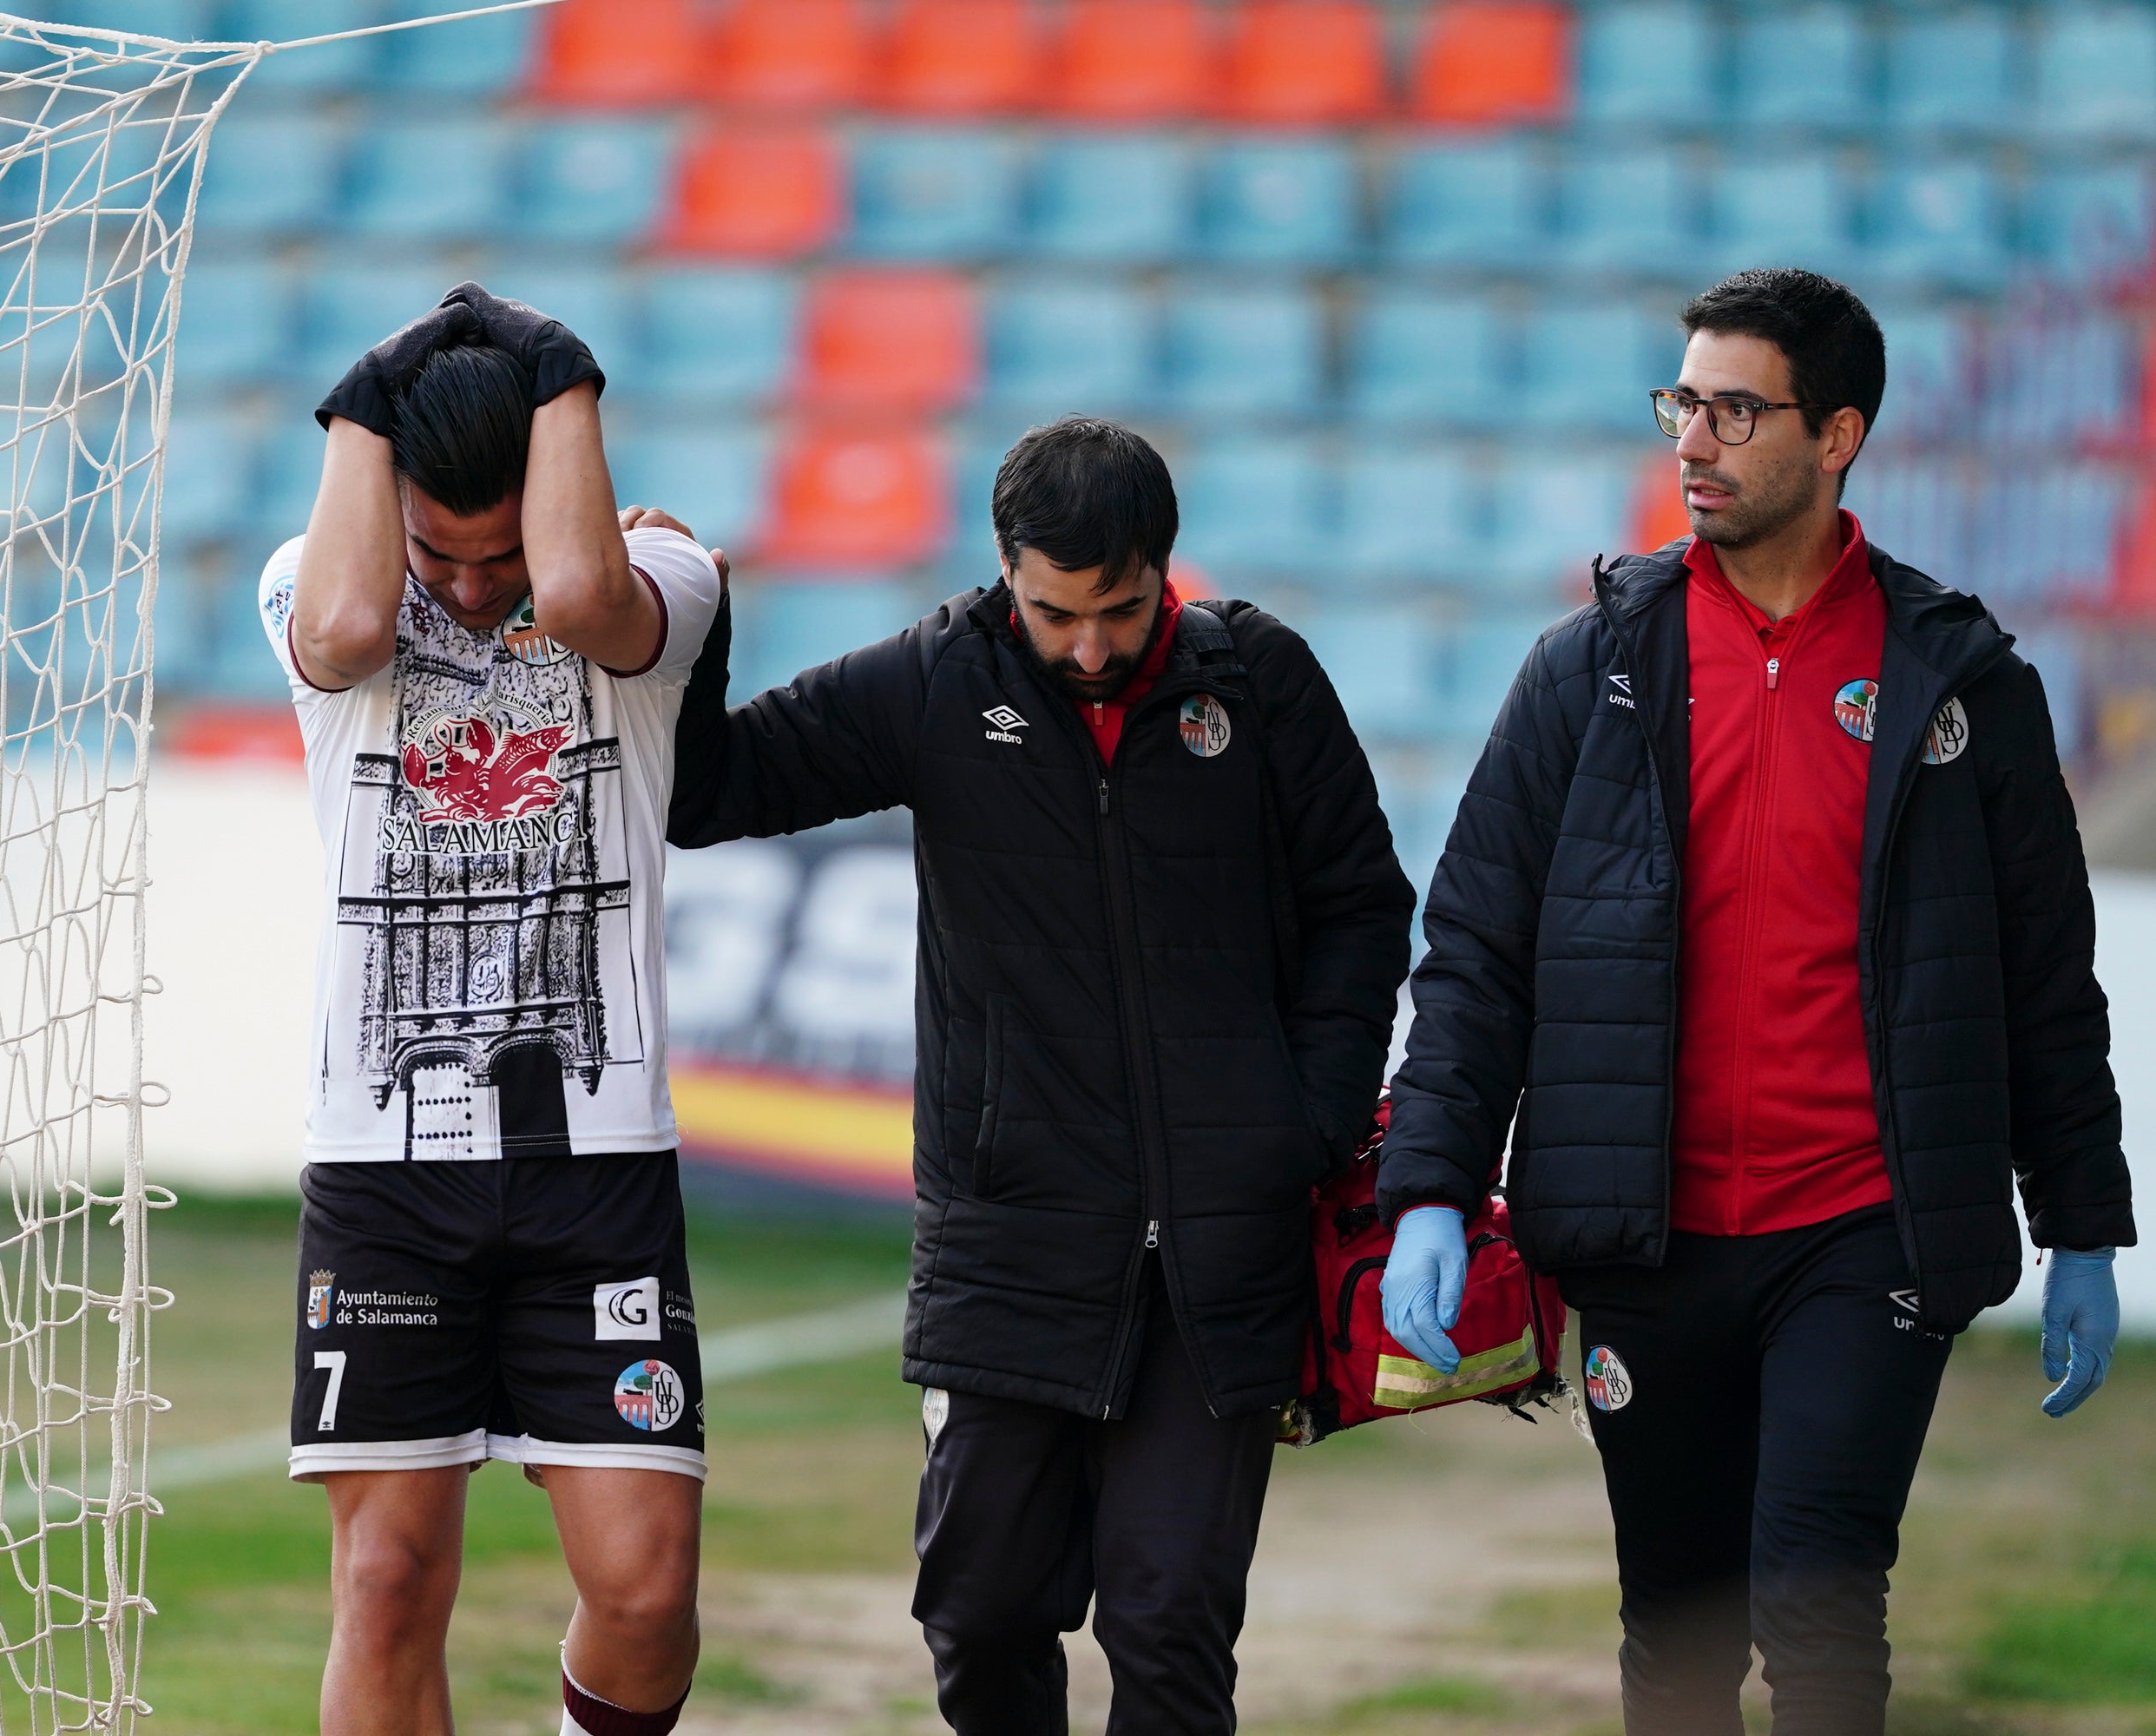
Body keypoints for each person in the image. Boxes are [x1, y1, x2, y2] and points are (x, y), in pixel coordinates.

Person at [1377, 267, 2134, 1736]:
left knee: (1819, 1602)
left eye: (1736, 408)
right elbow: (1476, 947)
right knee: (1676, 1634)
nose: (1694, 441)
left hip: (1866, 1228)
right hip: (1642, 1238)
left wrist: (2084, 1220)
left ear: (1838, 433)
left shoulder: (1957, 678)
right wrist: (1429, 1183)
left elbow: (2043, 973)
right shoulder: (1587, 666)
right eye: (1683, 403)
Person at [669, 416, 1417, 1733]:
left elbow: (1363, 904)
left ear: (1164, 574)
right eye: (1054, 611)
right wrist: (695, 623)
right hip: (1006, 1241)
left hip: (1222, 1252)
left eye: (1118, 612)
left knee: (1168, 1623)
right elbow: (705, 790)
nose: (1086, 646)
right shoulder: (932, 682)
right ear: (1004, 570)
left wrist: (1300, 1124)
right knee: (982, 1615)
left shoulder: (1261, 683)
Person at [264, 282, 728, 1736]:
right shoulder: (312, 581)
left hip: (596, 1173)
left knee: (648, 1595)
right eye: (438, 553)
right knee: (389, 1580)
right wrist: (365, 392)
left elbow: (586, 599)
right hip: (386, 1176)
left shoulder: (664, 576)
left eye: (501, 549)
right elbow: (348, 618)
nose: (471, 590)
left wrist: (560, 370)